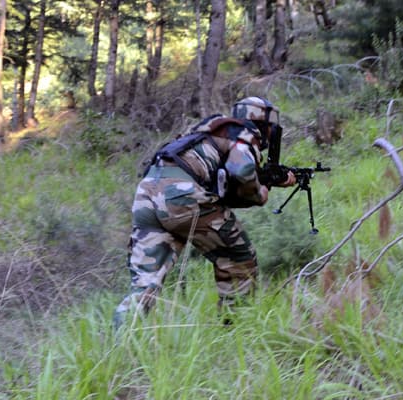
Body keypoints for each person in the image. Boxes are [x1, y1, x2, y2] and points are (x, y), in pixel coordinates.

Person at [113, 97, 296, 326]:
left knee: (144, 285)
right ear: (260, 123)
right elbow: (241, 169)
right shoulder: (244, 133)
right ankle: (235, 331)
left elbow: (221, 181)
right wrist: (260, 193)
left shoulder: (205, 131)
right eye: (269, 128)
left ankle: (120, 345)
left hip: (147, 195)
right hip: (181, 196)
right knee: (238, 258)